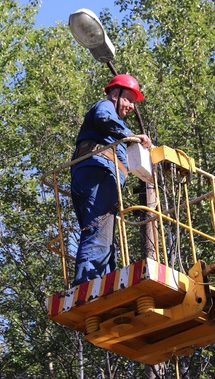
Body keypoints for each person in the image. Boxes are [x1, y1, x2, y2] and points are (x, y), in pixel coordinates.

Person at [70, 74, 152, 286]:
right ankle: (88, 287)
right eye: (129, 100)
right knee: (98, 232)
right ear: (115, 95)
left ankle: (103, 283)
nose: (132, 107)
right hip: (97, 174)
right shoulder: (105, 106)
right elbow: (104, 119)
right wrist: (132, 136)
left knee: (102, 235)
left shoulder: (112, 133)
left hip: (95, 176)